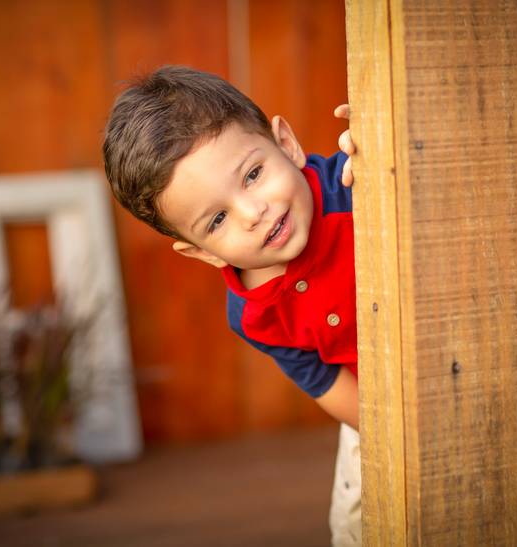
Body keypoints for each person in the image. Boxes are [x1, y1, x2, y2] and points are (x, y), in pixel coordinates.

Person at [102, 65, 360, 546]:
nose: (252, 211)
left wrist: (387, 145)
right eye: (217, 219)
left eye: (254, 174)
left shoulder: (356, 184)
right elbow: (328, 385)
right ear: (203, 252)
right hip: (377, 411)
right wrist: (401, 427)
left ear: (286, 144)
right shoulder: (254, 316)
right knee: (358, 527)